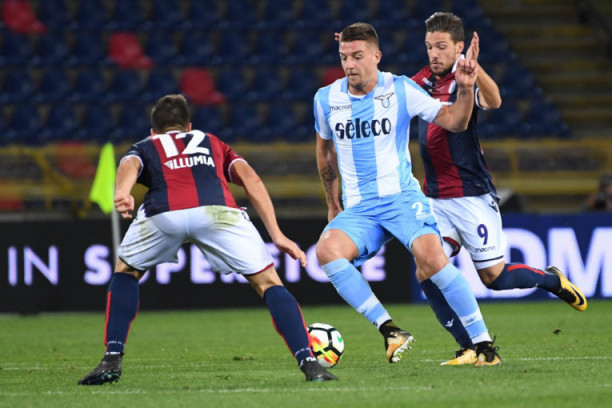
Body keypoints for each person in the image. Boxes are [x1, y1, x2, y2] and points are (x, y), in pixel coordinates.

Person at [78, 94, 337, 384]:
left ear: (153, 131)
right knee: (268, 283)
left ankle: (112, 357)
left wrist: (123, 192)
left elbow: (129, 163)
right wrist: (276, 234)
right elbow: (251, 179)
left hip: (164, 213)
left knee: (126, 272)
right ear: (189, 126)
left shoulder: (146, 145)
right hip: (217, 212)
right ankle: (309, 363)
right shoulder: (212, 142)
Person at [314, 22, 501, 367]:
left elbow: (455, 122)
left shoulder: (400, 89)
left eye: (357, 56)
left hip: (401, 199)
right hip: (360, 209)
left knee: (432, 261)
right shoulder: (326, 98)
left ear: (376, 56)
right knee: (327, 252)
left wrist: (465, 89)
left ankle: (484, 346)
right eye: (344, 57)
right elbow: (325, 152)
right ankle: (389, 330)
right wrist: (333, 203)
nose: (350, 64)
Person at [410, 12, 587, 366]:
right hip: (435, 199)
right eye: (429, 46)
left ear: (459, 48)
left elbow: (494, 101)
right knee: (426, 268)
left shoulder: (464, 79)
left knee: (494, 278)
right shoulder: (421, 81)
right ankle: (469, 346)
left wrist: (474, 70)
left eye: (441, 46)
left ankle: (551, 281)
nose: (434, 54)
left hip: (472, 197)